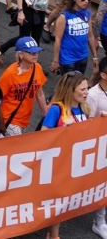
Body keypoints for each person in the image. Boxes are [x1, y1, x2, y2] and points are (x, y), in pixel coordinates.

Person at [41, 71, 106, 239]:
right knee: (58, 201)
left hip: (74, 163)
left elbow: (85, 131)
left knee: (64, 202)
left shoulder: (83, 108)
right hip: (58, 165)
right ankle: (53, 236)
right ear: (71, 89)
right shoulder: (57, 109)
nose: (87, 92)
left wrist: (99, 121)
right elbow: (42, 137)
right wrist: (63, 131)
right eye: (83, 89)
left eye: (87, 88)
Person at [0, 37, 48, 136]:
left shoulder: (37, 68)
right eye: (31, 53)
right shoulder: (10, 74)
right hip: (9, 119)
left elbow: (39, 93)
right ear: (21, 55)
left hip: (24, 120)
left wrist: (46, 113)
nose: (35, 55)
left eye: (37, 52)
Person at [51, 0, 98, 74]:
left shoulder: (87, 13)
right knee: (68, 87)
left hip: (83, 57)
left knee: (78, 85)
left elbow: (90, 36)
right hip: (67, 59)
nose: (86, 1)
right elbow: (58, 40)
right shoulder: (64, 16)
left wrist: (95, 57)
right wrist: (56, 61)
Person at [88, 58, 107, 239]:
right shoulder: (93, 95)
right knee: (102, 185)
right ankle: (99, 222)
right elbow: (89, 125)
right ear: (103, 75)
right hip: (101, 148)